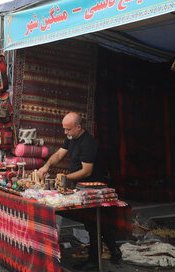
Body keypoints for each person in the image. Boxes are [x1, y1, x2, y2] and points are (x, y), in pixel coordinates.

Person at [37, 112, 121, 270]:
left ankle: (95, 262)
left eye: (68, 129)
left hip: (93, 187)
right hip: (81, 186)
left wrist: (65, 178)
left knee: (94, 223)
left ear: (79, 127)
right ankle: (113, 252)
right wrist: (46, 166)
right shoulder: (71, 138)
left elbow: (87, 171)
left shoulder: (88, 143)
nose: (65, 132)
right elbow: (59, 154)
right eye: (64, 129)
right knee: (96, 223)